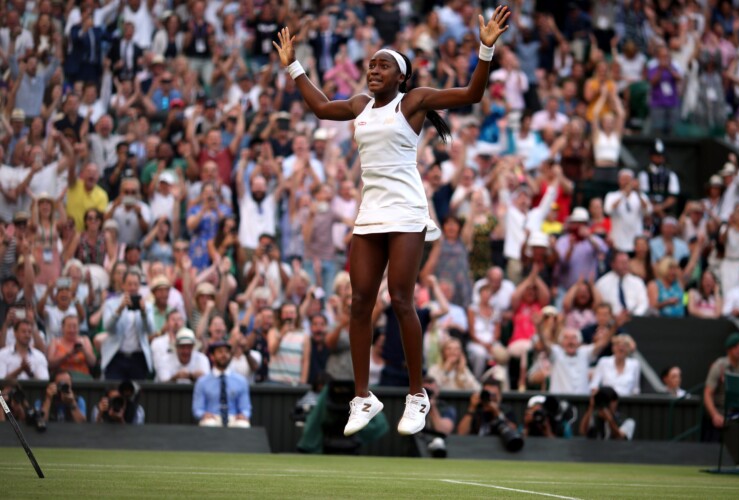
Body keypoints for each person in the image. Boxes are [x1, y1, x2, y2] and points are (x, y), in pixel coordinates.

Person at [272, 6, 511, 437]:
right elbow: (323, 108)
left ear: (400, 76)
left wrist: (485, 47)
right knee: (359, 302)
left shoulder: (414, 100)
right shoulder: (361, 104)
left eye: (383, 65)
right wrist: (293, 65)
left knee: (401, 299)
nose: (373, 70)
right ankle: (363, 397)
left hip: (406, 211)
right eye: (370, 65)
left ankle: (417, 395)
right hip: (371, 212)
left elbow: (472, 94)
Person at [101, 269, 156, 380]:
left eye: (135, 284)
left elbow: (150, 330)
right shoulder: (111, 304)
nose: (132, 288)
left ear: (139, 286)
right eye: (129, 284)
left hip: (137, 358)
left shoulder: (147, 306)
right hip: (116, 356)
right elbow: (108, 328)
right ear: (123, 285)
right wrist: (119, 309)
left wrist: (143, 312)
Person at [702, 333, 739, 442]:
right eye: (735, 347)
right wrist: (714, 415)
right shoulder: (719, 366)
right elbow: (707, 393)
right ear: (729, 349)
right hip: (722, 410)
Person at [192, 341, 251, 428]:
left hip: (233, 417)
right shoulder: (202, 382)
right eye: (220, 352)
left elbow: (245, 408)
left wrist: (243, 414)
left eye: (227, 352)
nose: (224, 355)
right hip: (212, 417)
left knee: (243, 425)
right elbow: (197, 409)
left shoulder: (241, 381)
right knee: (208, 424)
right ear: (212, 356)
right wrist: (203, 414)